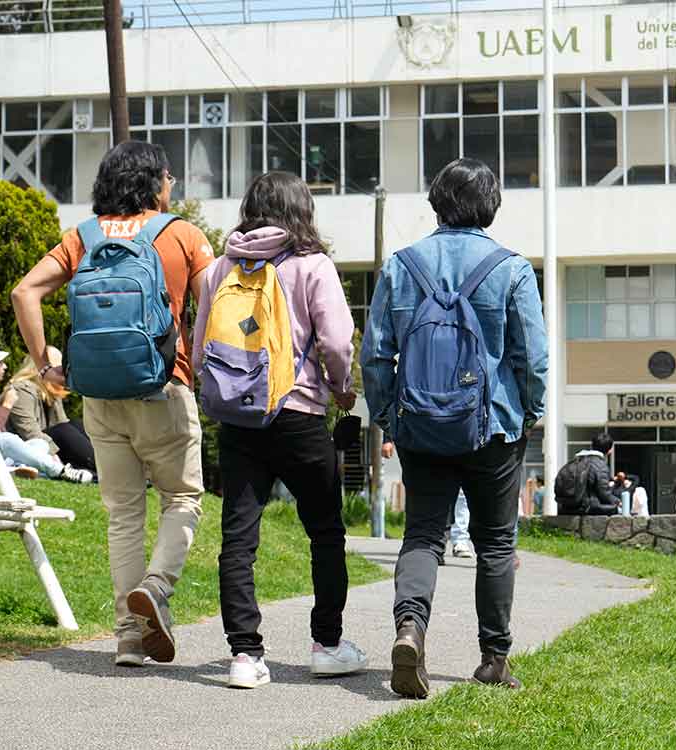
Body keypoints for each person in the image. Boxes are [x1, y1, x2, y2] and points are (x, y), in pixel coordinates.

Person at [11, 141, 212, 668]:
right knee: (183, 498)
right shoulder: (182, 234)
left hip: (98, 394)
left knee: (123, 514)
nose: (172, 186)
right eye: (169, 177)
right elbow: (212, 300)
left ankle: (128, 636)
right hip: (164, 387)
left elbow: (24, 292)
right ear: (155, 182)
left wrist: (47, 366)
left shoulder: (83, 236)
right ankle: (157, 587)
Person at [361, 157, 548, 699]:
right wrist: (528, 411)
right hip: (493, 428)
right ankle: (493, 658)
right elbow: (532, 357)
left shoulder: (402, 266)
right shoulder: (510, 269)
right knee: (494, 543)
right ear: (490, 206)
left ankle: (409, 629)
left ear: (437, 201)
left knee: (423, 534)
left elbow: (375, 355)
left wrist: (388, 415)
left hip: (421, 426)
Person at [192, 171, 365, 689]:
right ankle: (327, 645)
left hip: (241, 419)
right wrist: (341, 387)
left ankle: (245, 655)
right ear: (302, 210)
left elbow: (202, 346)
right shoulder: (314, 266)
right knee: (325, 532)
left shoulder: (221, 267)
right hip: (301, 414)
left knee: (239, 538)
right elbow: (336, 343)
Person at [0, 342, 92, 483]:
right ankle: (59, 470)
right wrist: (6, 406)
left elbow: (61, 424)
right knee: (8, 439)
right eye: (0, 364)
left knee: (40, 444)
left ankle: (19, 468)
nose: (5, 367)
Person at [4, 347, 96, 474]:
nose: (63, 372)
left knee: (74, 424)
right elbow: (29, 431)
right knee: (62, 431)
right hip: (26, 449)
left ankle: (101, 462)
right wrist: (54, 457)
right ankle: (100, 467)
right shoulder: (21, 390)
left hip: (47, 445)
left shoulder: (49, 390)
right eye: (58, 367)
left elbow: (64, 423)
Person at [561, 433, 623, 516]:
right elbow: (604, 493)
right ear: (609, 450)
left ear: (591, 446)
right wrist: (617, 501)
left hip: (566, 507)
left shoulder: (575, 461)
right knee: (620, 510)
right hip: (587, 508)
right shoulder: (600, 465)